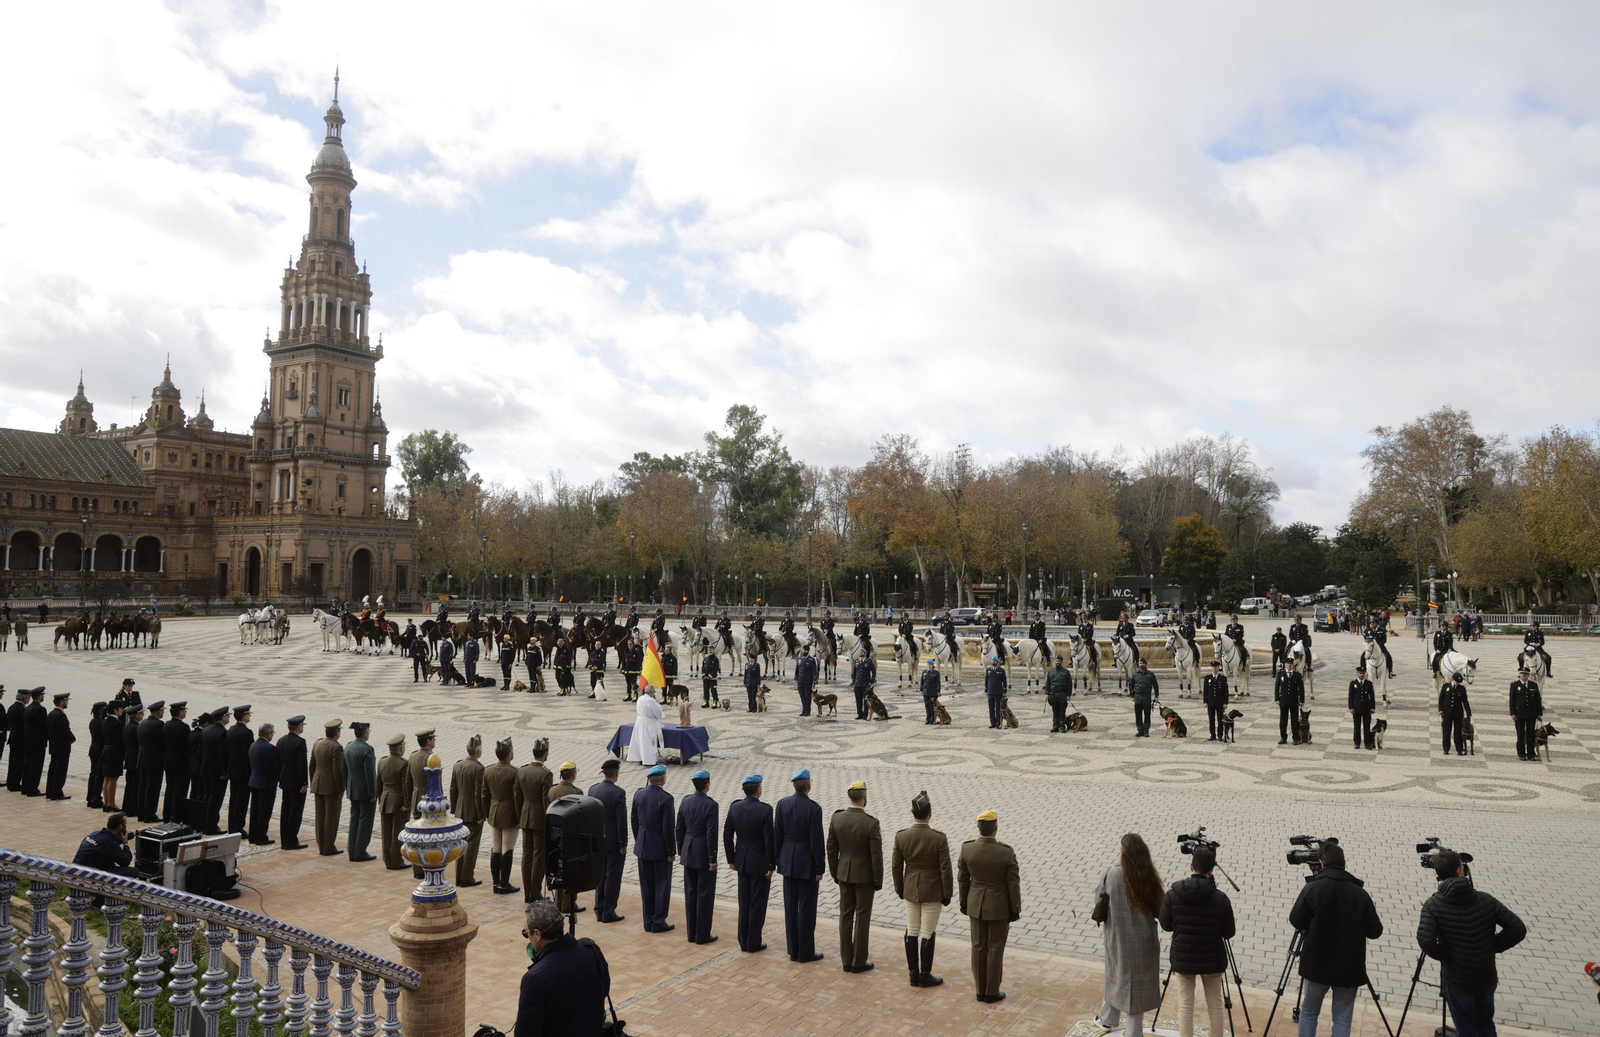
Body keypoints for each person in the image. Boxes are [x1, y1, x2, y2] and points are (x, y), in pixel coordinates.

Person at [1416, 848, 1526, 1037]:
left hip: (1457, 978)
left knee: (1466, 1029)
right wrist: (1493, 946)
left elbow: (1425, 939)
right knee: (1485, 1024)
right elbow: (1517, 928)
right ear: (1460, 871)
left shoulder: (1433, 905)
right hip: (1485, 975)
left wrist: (1445, 955)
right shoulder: (1485, 900)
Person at [1288, 841, 1384, 1037]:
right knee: (1342, 1018)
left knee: (1309, 1012)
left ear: (1322, 865)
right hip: (1348, 969)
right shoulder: (1361, 894)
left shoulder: (1313, 889)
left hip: (1316, 965)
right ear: (1345, 864)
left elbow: (1296, 920)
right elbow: (1375, 931)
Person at [1157, 844, 1236, 1037]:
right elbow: (1229, 933)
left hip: (1184, 960)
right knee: (1216, 1005)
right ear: (1211, 871)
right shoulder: (1220, 898)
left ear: (1191, 867)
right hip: (1212, 960)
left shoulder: (1173, 893)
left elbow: (1165, 925)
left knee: (1185, 1005)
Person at [1095, 834, 1165, 1037]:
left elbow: (1098, 902)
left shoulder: (1111, 874)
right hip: (1144, 943)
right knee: (1138, 989)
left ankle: (1109, 1019)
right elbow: (1161, 912)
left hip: (1117, 939)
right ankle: (1130, 1031)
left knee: (1115, 975)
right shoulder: (1149, 879)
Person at [512, 899, 609, 1037]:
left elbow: (526, 1032)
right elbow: (604, 990)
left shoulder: (535, 978)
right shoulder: (592, 952)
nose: (528, 937)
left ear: (538, 934)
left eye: (526, 932)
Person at [959, 808, 1021, 1004]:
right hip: (999, 906)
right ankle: (992, 991)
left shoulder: (967, 848)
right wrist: (1015, 908)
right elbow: (1013, 883)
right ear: (996, 828)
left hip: (975, 903)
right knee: (995, 948)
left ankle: (980, 990)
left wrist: (964, 902)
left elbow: (962, 879)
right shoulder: (1005, 851)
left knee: (978, 946)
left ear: (979, 828)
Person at [893, 790, 952, 988]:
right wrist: (947, 893)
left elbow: (896, 867)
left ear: (912, 812)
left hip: (910, 888)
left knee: (912, 930)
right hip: (932, 890)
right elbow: (946, 869)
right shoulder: (938, 838)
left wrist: (900, 889)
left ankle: (913, 974)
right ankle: (925, 975)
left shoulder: (901, 836)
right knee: (927, 931)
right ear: (930, 814)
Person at [827, 780, 883, 974]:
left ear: (849, 797)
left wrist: (835, 872)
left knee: (845, 916)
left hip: (844, 873)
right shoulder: (871, 823)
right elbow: (876, 856)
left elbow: (831, 849)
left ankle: (845, 959)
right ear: (864, 797)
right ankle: (858, 961)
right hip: (865, 876)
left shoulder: (837, 819)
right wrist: (878, 880)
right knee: (862, 917)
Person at [775, 767, 826, 962]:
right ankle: (806, 951)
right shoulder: (814, 808)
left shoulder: (782, 804)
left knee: (790, 906)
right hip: (807, 864)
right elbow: (816, 841)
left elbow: (777, 834)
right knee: (807, 908)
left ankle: (793, 949)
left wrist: (777, 859)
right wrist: (819, 867)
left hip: (788, 861)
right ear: (809, 786)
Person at [724, 772, 775, 953]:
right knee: (757, 903)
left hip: (742, 861)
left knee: (744, 902)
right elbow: (769, 840)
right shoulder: (765, 810)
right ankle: (754, 941)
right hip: (760, 862)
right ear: (758, 790)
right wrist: (771, 865)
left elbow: (727, 834)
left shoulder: (735, 807)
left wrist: (731, 858)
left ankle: (743, 940)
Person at [676, 768, 720, 944]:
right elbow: (711, 834)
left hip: (689, 851)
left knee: (691, 892)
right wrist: (712, 859)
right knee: (705, 894)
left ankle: (691, 933)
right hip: (703, 854)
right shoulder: (711, 805)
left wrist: (682, 850)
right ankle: (702, 934)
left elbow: (679, 829)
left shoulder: (685, 801)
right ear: (707, 785)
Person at [632, 763, 677, 933]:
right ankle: (658, 920)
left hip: (643, 847)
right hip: (659, 849)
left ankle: (647, 920)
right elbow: (668, 828)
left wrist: (639, 841)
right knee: (662, 885)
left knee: (647, 885)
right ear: (663, 779)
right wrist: (671, 851)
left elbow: (634, 821)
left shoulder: (638, 794)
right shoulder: (666, 799)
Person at [587, 757, 627, 922]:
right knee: (613, 877)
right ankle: (608, 912)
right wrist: (623, 843)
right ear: (616, 774)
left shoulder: (592, 790)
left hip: (597, 840)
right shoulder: (618, 793)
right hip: (613, 841)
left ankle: (599, 908)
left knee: (600, 875)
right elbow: (621, 821)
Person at [516, 738, 553, 902]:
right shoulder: (546, 774)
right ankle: (535, 893)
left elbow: (517, 796)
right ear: (545, 754)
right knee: (539, 856)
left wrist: (519, 816)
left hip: (525, 816)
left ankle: (527, 893)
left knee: (526, 856)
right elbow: (546, 801)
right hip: (539, 819)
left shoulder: (522, 771)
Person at [449, 734, 487, 885]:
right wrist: (481, 814)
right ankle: (466, 877)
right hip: (472, 813)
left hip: (460, 810)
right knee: (471, 845)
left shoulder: (458, 765)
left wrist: (454, 809)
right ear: (478, 752)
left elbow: (453, 789)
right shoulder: (479, 768)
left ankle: (459, 875)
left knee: (460, 843)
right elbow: (479, 794)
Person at [486, 737, 521, 896]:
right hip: (509, 813)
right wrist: (520, 816)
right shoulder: (514, 772)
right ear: (508, 755)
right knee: (507, 848)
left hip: (494, 811)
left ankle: (495, 883)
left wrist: (485, 812)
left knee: (496, 848)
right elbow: (517, 797)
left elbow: (483, 795)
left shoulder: (488, 770)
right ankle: (504, 883)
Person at [309, 718, 345, 856]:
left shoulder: (317, 743)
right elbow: (337, 771)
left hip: (318, 784)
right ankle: (329, 846)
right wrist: (339, 789)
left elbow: (312, 765)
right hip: (330, 787)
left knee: (320, 817)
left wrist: (313, 781)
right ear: (336, 733)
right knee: (331, 818)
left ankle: (321, 845)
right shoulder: (336, 747)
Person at [342, 721, 377, 863]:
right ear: (364, 733)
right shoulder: (367, 749)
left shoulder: (348, 747)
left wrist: (347, 787)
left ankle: (352, 851)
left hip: (352, 790)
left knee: (354, 820)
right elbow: (370, 774)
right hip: (365, 792)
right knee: (365, 822)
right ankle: (360, 851)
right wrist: (372, 793)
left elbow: (344, 771)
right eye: (368, 731)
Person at [381, 733, 415, 871]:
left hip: (385, 799)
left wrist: (379, 798)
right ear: (401, 749)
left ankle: (387, 859)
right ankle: (396, 860)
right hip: (398, 801)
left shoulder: (382, 761)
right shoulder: (403, 763)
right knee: (397, 832)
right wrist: (407, 803)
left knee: (386, 831)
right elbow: (406, 784)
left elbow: (378, 782)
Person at [72, 813, 138, 878]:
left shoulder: (96, 834)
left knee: (110, 863)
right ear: (120, 826)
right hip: (88, 874)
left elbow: (116, 839)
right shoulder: (110, 843)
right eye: (125, 824)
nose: (126, 826)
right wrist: (125, 843)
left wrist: (136, 833)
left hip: (76, 868)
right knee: (133, 871)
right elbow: (125, 861)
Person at [277, 716, 309, 850]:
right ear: (298, 727)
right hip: (296, 780)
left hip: (285, 778)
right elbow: (302, 764)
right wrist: (304, 782)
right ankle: (291, 840)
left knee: (285, 809)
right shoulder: (300, 742)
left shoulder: (281, 740)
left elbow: (278, 761)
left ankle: (284, 839)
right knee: (295, 811)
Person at [246, 723, 280, 846]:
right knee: (264, 811)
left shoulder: (253, 745)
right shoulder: (270, 748)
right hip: (267, 783)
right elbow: (276, 767)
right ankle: (261, 837)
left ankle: (253, 835)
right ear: (268, 734)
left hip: (254, 781)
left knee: (255, 810)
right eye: (272, 733)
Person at [225, 705, 254, 835]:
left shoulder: (231, 730)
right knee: (242, 800)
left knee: (234, 798)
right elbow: (249, 754)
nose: (249, 716)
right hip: (243, 771)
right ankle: (238, 827)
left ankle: (232, 825)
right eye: (248, 714)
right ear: (244, 716)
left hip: (233, 769)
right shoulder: (247, 732)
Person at [136, 700, 165, 820]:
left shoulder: (142, 723)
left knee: (142, 787)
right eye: (162, 710)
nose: (163, 713)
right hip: (155, 760)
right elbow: (163, 742)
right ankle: (150, 813)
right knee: (153, 788)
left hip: (142, 759)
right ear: (158, 711)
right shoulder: (159, 725)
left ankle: (141, 813)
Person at [161, 702, 190, 822]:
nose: (185, 712)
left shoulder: (166, 725)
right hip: (181, 763)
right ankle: (176, 814)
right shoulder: (183, 727)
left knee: (170, 789)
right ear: (180, 712)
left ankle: (167, 814)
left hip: (169, 761)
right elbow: (187, 745)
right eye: (184, 710)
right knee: (179, 790)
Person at [1510, 666, 1543, 762]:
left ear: (1528, 675)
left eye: (1525, 674)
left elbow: (1537, 700)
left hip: (1531, 713)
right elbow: (1512, 701)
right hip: (1519, 714)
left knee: (1531, 734)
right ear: (1519, 674)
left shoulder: (1533, 685)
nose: (1523, 675)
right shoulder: (1514, 685)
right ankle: (1521, 753)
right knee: (1520, 734)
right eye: (1522, 674)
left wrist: (1539, 713)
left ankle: (1531, 753)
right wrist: (1512, 713)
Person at [628, 685, 666, 766]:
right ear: (651, 692)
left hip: (640, 722)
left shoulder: (640, 698)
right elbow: (658, 713)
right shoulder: (651, 700)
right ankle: (649, 761)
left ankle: (641, 758)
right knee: (648, 742)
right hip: (648, 723)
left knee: (641, 741)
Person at [1439, 673, 1472, 756]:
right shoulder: (1446, 687)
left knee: (1457, 732)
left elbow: (1465, 702)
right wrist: (1440, 710)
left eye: (1459, 682)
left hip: (1458, 713)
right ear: (1453, 680)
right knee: (1446, 732)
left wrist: (1469, 713)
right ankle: (1446, 748)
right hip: (1447, 713)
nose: (1458, 683)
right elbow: (1441, 699)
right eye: (1457, 682)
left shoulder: (1462, 689)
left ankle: (1459, 749)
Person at [1199, 661, 1229, 742]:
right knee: (1211, 719)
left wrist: (1225, 702)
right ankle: (1212, 734)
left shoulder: (1223, 678)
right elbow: (1205, 691)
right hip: (1211, 702)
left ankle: (1220, 735)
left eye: (1216, 666)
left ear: (1219, 668)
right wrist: (1205, 701)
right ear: (1211, 668)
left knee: (1220, 720)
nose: (1214, 668)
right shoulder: (1207, 678)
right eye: (1213, 667)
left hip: (1220, 702)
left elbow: (1226, 692)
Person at [1276, 665, 1306, 745]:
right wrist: (1277, 699)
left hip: (1293, 700)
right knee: (1283, 720)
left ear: (1293, 665)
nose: (1289, 665)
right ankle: (1283, 737)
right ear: (1285, 664)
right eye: (1287, 663)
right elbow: (1277, 687)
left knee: (1294, 720)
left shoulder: (1297, 675)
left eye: (1291, 664)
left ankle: (1295, 737)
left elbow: (1301, 688)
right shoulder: (1280, 674)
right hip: (1284, 700)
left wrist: (1301, 700)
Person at [1349, 666, 1377, 750]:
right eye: (1360, 673)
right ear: (1357, 673)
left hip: (1366, 708)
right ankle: (1357, 742)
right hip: (1356, 708)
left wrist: (1372, 707)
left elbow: (1372, 696)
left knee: (1366, 726)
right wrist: (1351, 707)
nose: (1361, 675)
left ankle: (1367, 743)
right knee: (1357, 726)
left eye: (1363, 673)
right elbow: (1350, 696)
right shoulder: (1353, 683)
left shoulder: (1368, 683)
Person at [84, 700, 106, 809]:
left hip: (93, 749)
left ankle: (90, 796)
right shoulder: (101, 723)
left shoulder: (93, 721)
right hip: (99, 750)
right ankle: (96, 798)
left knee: (93, 774)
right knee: (99, 775)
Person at [1129, 659, 1158, 738]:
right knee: (1138, 714)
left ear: (1146, 664)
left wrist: (1156, 696)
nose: (1141, 665)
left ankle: (1146, 730)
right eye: (1140, 663)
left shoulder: (1150, 674)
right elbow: (1131, 685)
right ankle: (1140, 730)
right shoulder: (1135, 674)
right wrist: (1132, 695)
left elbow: (1155, 685)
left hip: (1146, 696)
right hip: (1137, 696)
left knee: (1147, 714)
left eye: (1143, 663)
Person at [1045, 655, 1074, 732]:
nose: (1058, 662)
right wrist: (1047, 693)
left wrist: (1068, 695)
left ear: (1062, 662)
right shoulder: (1051, 671)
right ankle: (1055, 726)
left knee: (1062, 711)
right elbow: (1048, 683)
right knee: (1055, 711)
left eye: (1059, 661)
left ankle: (1062, 726)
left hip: (1062, 695)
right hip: (1053, 695)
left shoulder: (1066, 672)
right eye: (1057, 660)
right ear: (1055, 661)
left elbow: (1069, 684)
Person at [985, 655, 1009, 730]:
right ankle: (993, 723)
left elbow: (1004, 682)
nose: (993, 662)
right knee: (991, 708)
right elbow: (986, 681)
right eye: (992, 660)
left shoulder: (1001, 671)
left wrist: (1004, 691)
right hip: (990, 692)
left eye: (994, 661)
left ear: (997, 662)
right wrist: (986, 690)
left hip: (998, 692)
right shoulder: (988, 670)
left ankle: (998, 723)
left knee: (998, 709)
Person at [795, 645, 819, 715]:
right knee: (802, 696)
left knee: (807, 696)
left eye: (805, 650)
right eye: (803, 650)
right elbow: (797, 669)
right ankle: (803, 710)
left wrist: (815, 679)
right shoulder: (799, 659)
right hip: (800, 681)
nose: (804, 652)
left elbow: (814, 671)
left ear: (808, 651)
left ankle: (807, 711)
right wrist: (796, 677)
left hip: (808, 681)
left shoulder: (811, 660)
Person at [921, 657, 944, 726]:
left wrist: (938, 691)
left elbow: (938, 683)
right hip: (926, 692)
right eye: (928, 664)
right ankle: (927, 719)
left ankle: (932, 719)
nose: (929, 665)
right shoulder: (924, 672)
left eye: (930, 664)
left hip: (932, 692)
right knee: (927, 706)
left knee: (932, 707)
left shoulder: (936, 673)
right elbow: (922, 682)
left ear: (933, 665)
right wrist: (921, 690)